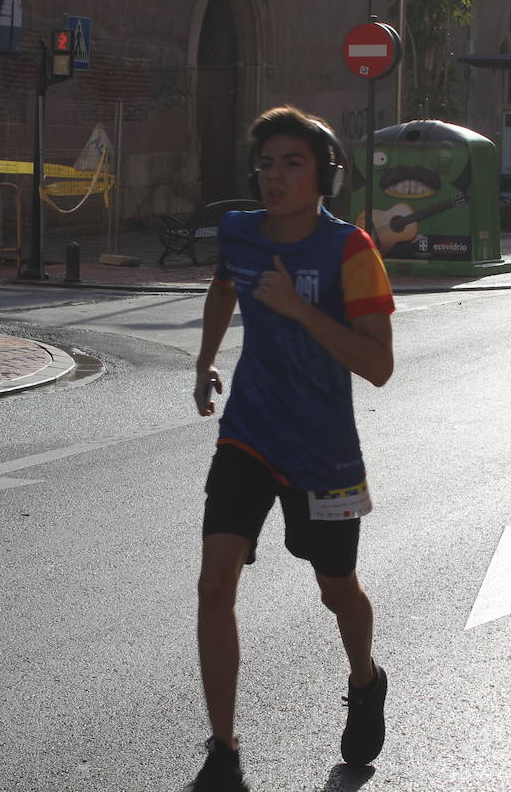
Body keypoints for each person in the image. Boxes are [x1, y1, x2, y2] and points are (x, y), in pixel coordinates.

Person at [188, 105, 395, 791]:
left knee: (337, 591)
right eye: (267, 163)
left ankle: (365, 681)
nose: (274, 176)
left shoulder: (350, 251)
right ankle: (224, 751)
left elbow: (378, 364)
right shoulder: (240, 234)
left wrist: (299, 308)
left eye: (292, 164)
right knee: (215, 582)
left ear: (323, 175)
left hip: (323, 453)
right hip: (249, 432)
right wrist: (205, 359)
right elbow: (225, 285)